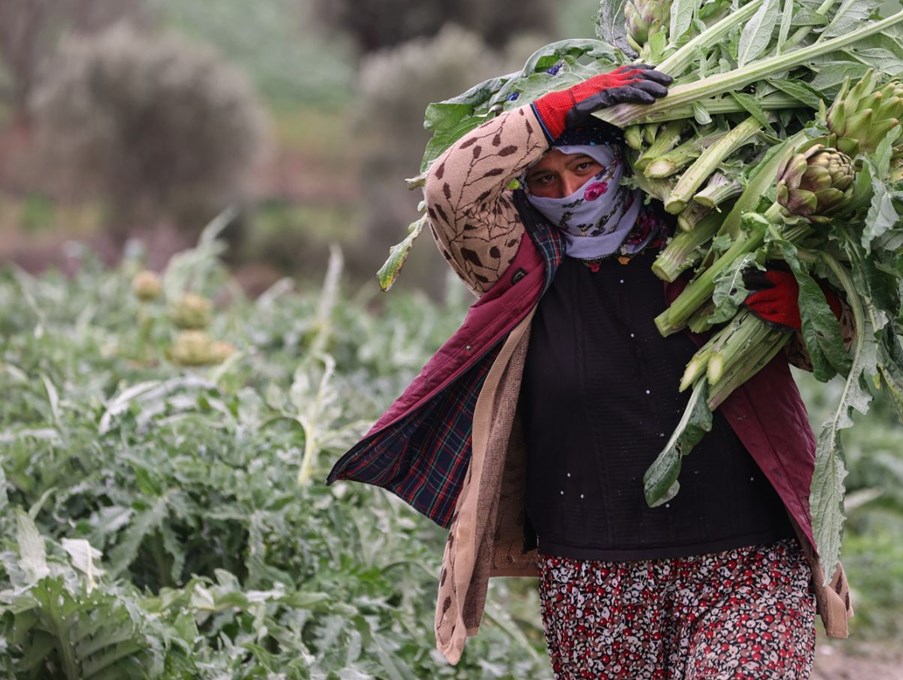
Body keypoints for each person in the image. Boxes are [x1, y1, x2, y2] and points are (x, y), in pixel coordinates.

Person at [327, 64, 853, 679]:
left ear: (620, 165)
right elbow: (449, 190)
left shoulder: (710, 244)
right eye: (543, 180)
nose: (568, 191)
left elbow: (833, 351)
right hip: (593, 571)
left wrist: (815, 310)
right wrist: (554, 109)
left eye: (584, 168)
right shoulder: (516, 266)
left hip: (749, 555)